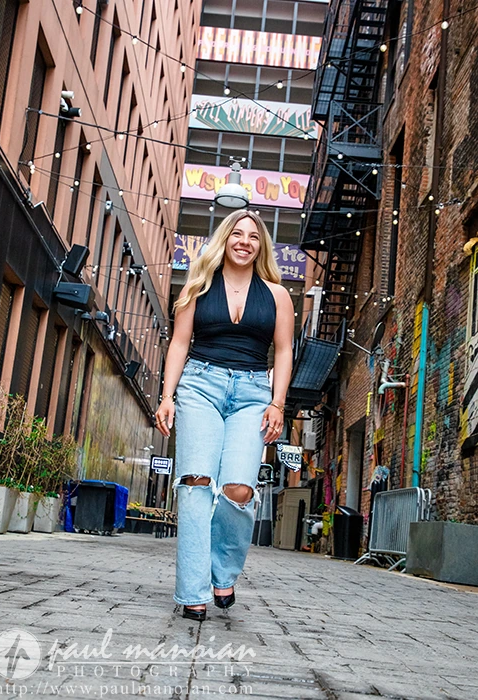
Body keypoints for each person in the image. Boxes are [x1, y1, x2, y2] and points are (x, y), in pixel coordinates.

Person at [155, 210, 294, 621]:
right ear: (224, 239)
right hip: (200, 385)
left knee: (239, 489)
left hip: (253, 392)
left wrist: (278, 403)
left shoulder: (277, 295)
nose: (245, 241)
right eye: (237, 233)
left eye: (253, 236)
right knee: (196, 483)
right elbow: (179, 344)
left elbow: (283, 351)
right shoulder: (198, 285)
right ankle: (192, 591)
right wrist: (167, 397)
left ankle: (223, 571)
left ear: (260, 246)